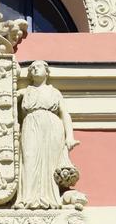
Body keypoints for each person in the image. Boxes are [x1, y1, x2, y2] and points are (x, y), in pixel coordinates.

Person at [16, 60, 78, 210]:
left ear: (47, 71)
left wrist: (70, 136)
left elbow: (65, 114)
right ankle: (27, 198)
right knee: (29, 159)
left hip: (52, 127)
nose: (34, 69)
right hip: (30, 125)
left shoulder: (54, 92)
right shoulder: (24, 92)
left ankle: (49, 198)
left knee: (49, 162)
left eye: (38, 66)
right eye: (32, 68)